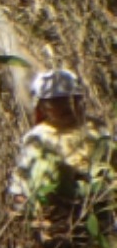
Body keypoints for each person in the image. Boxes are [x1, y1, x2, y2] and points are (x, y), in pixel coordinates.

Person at [9, 68, 114, 216]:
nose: (64, 107)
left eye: (69, 100)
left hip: (97, 199)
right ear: (42, 107)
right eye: (55, 102)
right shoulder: (38, 137)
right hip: (58, 205)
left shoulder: (96, 129)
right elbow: (23, 179)